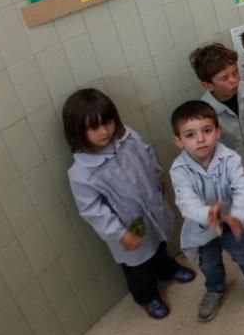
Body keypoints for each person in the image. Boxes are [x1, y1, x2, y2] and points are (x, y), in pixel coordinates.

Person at [64, 89, 194, 320]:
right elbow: (93, 211)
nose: (104, 131)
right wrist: (119, 233)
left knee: (160, 243)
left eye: (108, 122)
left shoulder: (128, 137)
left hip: (151, 207)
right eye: (94, 128)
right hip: (126, 227)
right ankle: (146, 297)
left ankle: (167, 269)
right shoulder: (81, 173)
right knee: (138, 268)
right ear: (77, 132)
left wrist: (158, 176)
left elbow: (148, 155)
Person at [169, 101, 244, 322]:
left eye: (206, 131)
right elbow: (185, 200)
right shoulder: (178, 170)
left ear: (217, 132)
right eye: (190, 135)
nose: (200, 139)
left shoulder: (230, 158)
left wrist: (237, 216)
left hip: (233, 223)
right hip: (203, 226)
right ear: (178, 141)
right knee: (208, 262)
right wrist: (206, 214)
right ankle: (215, 289)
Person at [189, 43, 244, 234]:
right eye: (224, 78)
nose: (233, 80)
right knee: (237, 201)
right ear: (207, 84)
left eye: (235, 72)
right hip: (230, 169)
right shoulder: (205, 111)